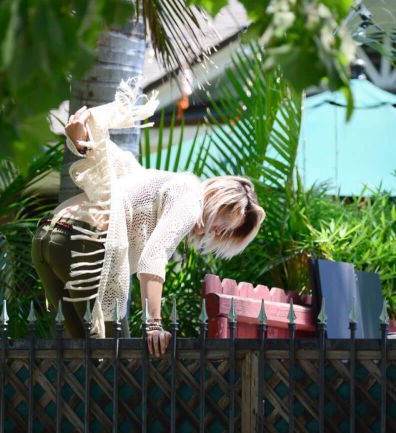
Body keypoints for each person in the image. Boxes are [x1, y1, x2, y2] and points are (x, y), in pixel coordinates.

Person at [32, 79, 265, 357]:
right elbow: (152, 257)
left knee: (78, 355)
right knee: (116, 358)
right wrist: (153, 324)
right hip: (82, 243)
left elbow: (109, 159)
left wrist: (81, 139)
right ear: (218, 203)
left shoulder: (154, 180)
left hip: (47, 235)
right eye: (221, 227)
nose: (213, 234)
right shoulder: (191, 198)